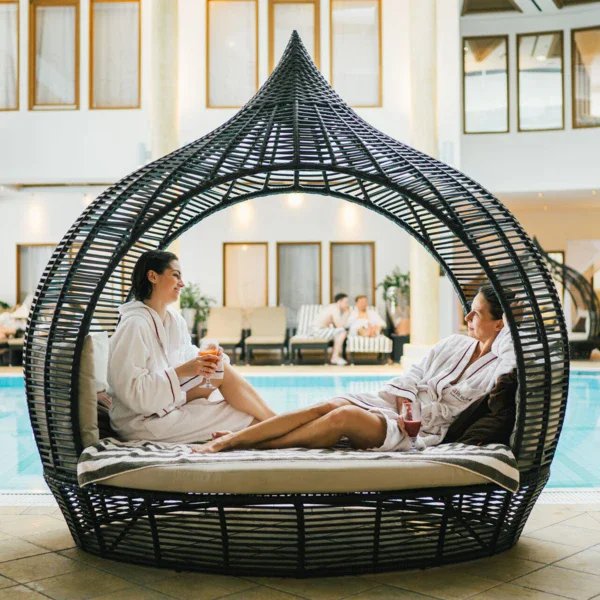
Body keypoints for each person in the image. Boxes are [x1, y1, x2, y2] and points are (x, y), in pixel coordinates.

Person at [196, 284, 516, 453]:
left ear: (499, 324)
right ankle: (242, 437)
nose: (467, 319)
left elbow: (513, 348)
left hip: (422, 431)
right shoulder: (454, 345)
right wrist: (405, 405)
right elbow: (412, 375)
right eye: (469, 311)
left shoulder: (498, 367)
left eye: (475, 314)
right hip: (398, 408)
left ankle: (238, 442)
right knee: (330, 404)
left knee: (342, 418)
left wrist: (509, 330)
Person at [107, 250, 276, 444]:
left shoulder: (173, 320)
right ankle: (280, 422)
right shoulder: (134, 325)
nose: (182, 283)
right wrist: (184, 370)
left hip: (164, 404)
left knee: (220, 371)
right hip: (142, 422)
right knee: (249, 420)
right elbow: (134, 394)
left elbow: (187, 353)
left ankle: (277, 422)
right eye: (176, 275)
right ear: (153, 276)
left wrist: (205, 357)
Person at [311, 293, 351, 366]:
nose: (347, 305)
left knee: (338, 333)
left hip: (318, 330)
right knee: (342, 332)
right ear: (339, 301)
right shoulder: (334, 309)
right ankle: (335, 357)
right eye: (346, 302)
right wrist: (346, 314)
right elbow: (339, 326)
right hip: (318, 331)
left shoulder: (333, 307)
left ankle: (336, 356)